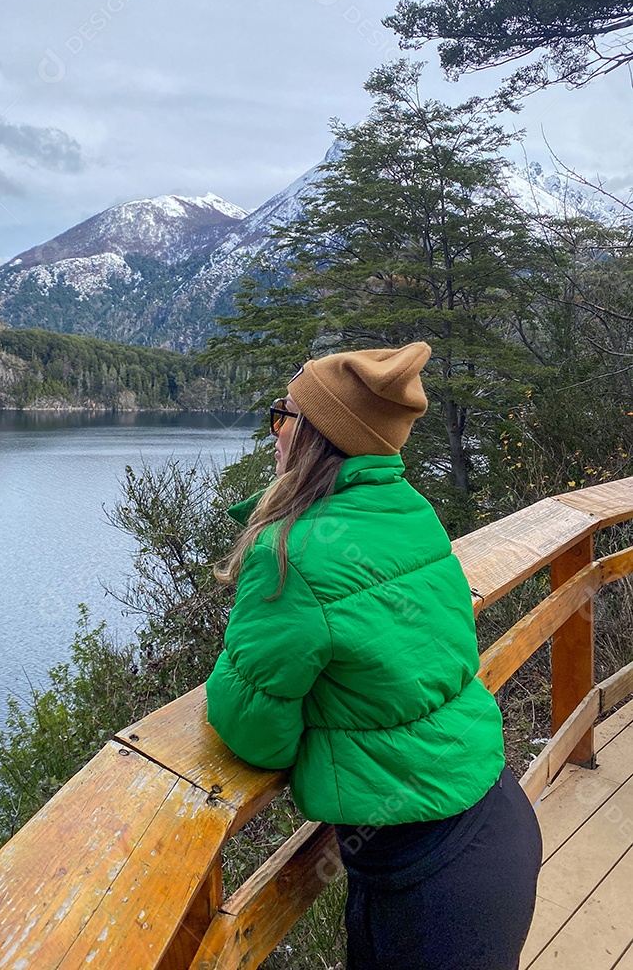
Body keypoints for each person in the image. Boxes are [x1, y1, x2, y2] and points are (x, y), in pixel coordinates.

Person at [205, 342, 542, 970]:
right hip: (494, 818)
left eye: (283, 416)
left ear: (310, 435)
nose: (274, 433)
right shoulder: (412, 512)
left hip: (426, 878)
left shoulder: (291, 552)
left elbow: (254, 730)